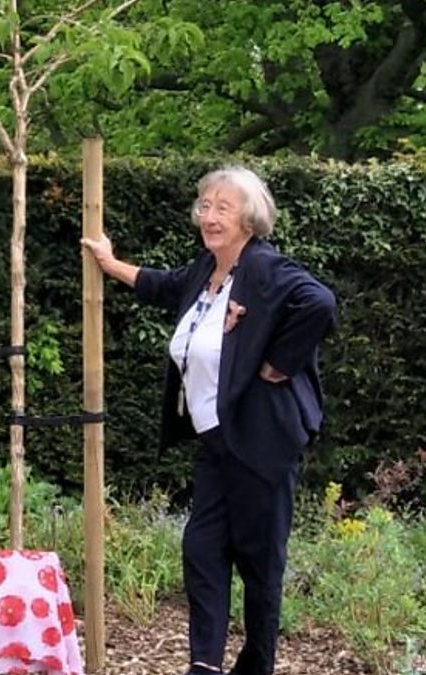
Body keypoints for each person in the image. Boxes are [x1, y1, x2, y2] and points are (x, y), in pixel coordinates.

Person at [81, 166, 335, 675]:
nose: (210, 216)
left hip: (263, 441)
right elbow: (164, 284)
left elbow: (320, 303)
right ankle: (205, 665)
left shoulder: (263, 269)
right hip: (217, 442)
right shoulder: (206, 271)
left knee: (260, 563)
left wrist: (277, 364)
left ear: (248, 218)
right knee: (202, 550)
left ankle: (257, 664)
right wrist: (111, 264)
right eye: (205, 206)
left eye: (223, 207)